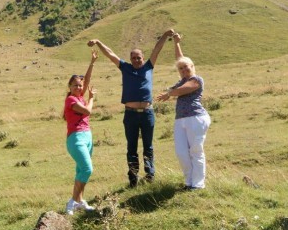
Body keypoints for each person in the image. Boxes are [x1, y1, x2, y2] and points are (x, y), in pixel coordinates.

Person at [88, 29, 175, 187]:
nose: (136, 60)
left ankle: (150, 175)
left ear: (143, 58)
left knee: (148, 146)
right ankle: (133, 178)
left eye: (139, 57)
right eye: (133, 58)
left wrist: (165, 35)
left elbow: (157, 49)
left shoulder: (149, 66)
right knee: (132, 147)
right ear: (130, 59)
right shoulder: (125, 68)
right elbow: (110, 54)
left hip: (148, 113)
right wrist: (98, 42)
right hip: (131, 115)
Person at [156, 32, 211, 190]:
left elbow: (183, 90)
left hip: (196, 117)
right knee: (181, 152)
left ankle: (198, 184)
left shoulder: (196, 80)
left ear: (193, 67)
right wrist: (176, 43)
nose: (184, 70)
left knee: (195, 150)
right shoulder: (182, 80)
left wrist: (169, 93)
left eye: (187, 67)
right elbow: (180, 60)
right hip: (180, 119)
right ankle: (188, 182)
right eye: (181, 69)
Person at [64, 49, 98, 215]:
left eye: (80, 85)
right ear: (69, 87)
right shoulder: (71, 99)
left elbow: (87, 79)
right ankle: (72, 202)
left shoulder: (79, 95)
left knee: (80, 170)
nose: (78, 87)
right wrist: (91, 98)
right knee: (87, 169)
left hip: (87, 136)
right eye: (75, 85)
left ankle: (79, 200)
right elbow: (87, 111)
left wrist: (92, 62)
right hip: (75, 137)